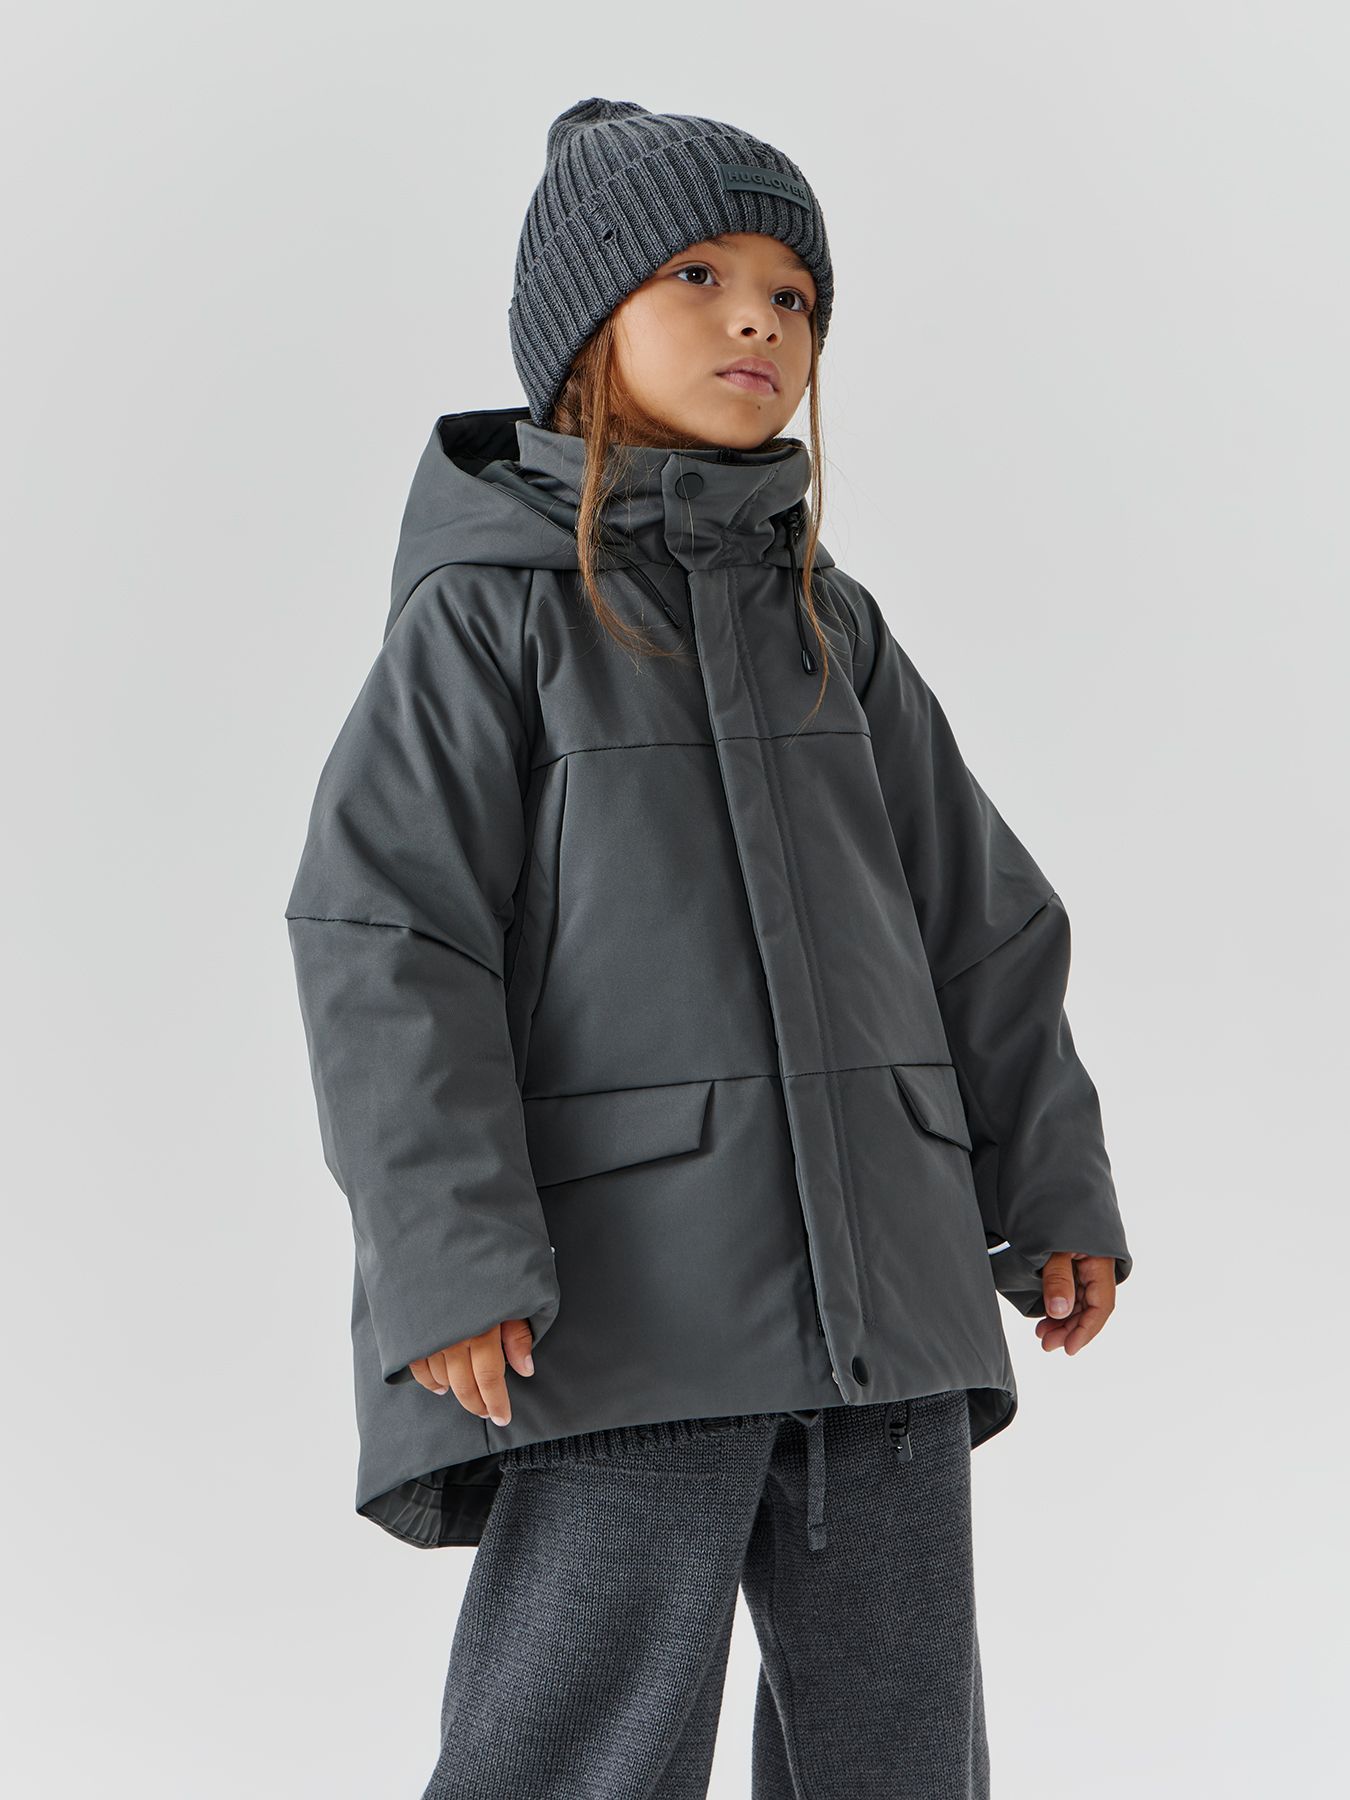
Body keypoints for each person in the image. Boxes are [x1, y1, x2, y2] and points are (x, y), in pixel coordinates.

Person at [284, 96, 1134, 1799]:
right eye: (698, 276)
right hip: (619, 1312)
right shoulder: (489, 621)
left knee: (901, 1752)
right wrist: (449, 1254)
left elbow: (982, 920)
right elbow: (388, 940)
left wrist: (1049, 1182)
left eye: (792, 295)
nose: (759, 320)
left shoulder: (832, 625)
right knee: (578, 1747)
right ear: (581, 327)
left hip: (883, 1302)